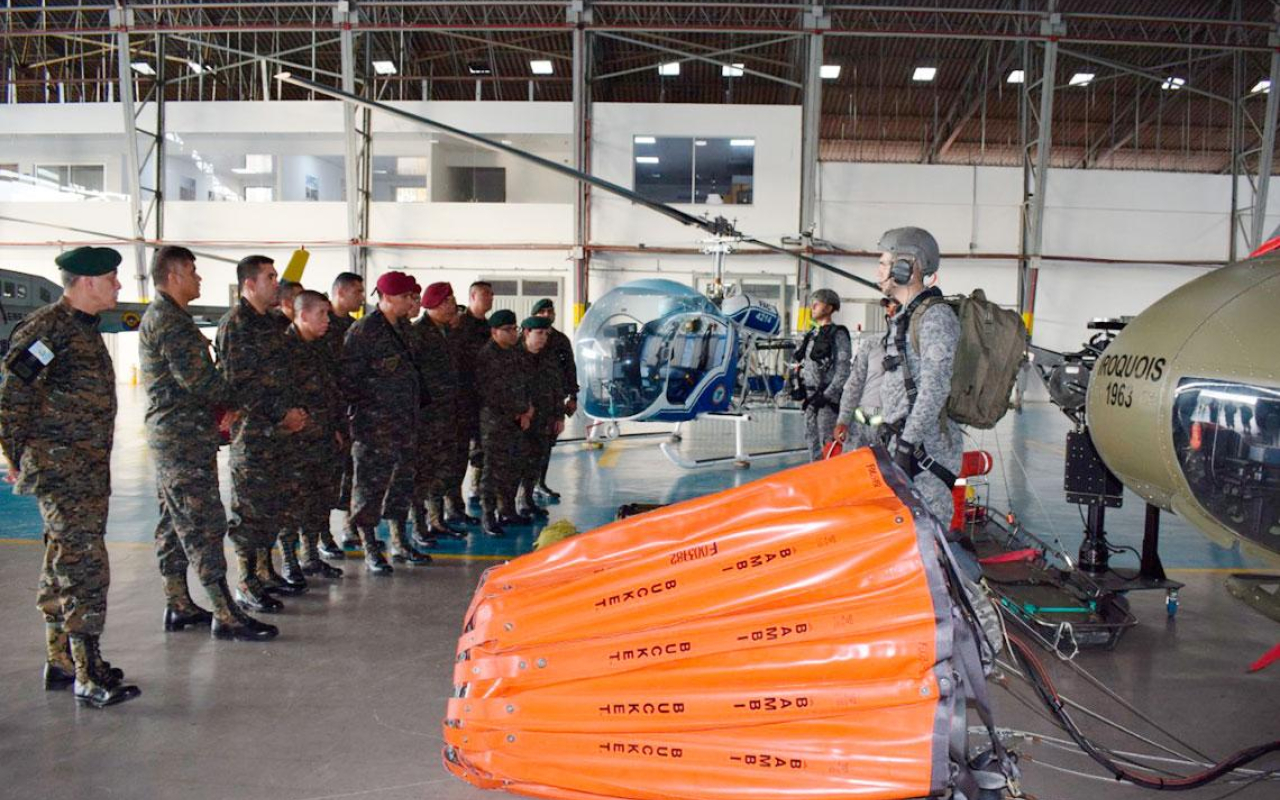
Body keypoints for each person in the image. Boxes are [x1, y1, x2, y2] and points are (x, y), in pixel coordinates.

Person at [0, 246, 140, 708]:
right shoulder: (48, 329)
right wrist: (14, 453)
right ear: (85, 282)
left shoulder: (82, 328)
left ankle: (61, 659)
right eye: (112, 278)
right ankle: (86, 671)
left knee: (61, 559)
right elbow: (12, 394)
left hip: (83, 468)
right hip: (62, 471)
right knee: (83, 564)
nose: (119, 286)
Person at [139, 246, 277, 642]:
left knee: (173, 521)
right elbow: (200, 381)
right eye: (194, 272)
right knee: (202, 521)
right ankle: (224, 611)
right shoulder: (169, 321)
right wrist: (234, 401)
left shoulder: (170, 317)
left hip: (179, 434)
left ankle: (178, 602)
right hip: (181, 438)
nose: (199, 279)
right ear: (175, 275)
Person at [217, 254, 311, 614]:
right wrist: (280, 415)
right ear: (250, 284)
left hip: (281, 433)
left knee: (273, 505)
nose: (277, 282)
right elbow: (239, 384)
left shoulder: (272, 323)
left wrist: (294, 413)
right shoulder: (235, 324)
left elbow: (287, 375)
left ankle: (263, 571)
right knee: (249, 509)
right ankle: (245, 581)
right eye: (270, 277)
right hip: (254, 432)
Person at [342, 270, 431, 573]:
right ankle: (369, 547)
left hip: (405, 423)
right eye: (406, 296)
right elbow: (349, 383)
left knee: (402, 485)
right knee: (369, 488)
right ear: (388, 297)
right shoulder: (363, 331)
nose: (411, 301)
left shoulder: (404, 328)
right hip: (374, 427)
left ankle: (399, 542)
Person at [875, 226, 961, 525]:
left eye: (884, 263)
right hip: (904, 448)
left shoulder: (935, 317)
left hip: (926, 455)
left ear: (905, 267)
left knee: (928, 542)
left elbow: (934, 388)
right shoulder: (905, 316)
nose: (879, 270)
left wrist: (906, 446)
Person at [280, 290, 345, 580]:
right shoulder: (284, 349)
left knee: (318, 500)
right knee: (293, 503)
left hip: (322, 438)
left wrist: (335, 429)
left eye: (328, 314)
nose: (327, 320)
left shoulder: (320, 347)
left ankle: (311, 556)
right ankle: (290, 561)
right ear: (303, 315)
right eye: (322, 314)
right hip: (295, 442)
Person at [410, 282, 467, 542]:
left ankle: (436, 521)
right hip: (427, 418)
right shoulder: (418, 334)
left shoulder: (445, 332)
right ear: (435, 303)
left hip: (446, 415)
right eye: (448, 301)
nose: (452, 305)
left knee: (441, 472)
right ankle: (419, 528)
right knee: (422, 476)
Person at [474, 309, 533, 537]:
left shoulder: (515, 353)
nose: (513, 333)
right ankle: (488, 516)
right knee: (493, 470)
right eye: (507, 330)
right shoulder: (487, 356)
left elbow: (525, 383)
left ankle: (507, 510)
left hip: (517, 419)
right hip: (496, 421)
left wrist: (527, 409)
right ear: (494, 332)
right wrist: (518, 411)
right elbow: (490, 393)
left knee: (513, 466)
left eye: (514, 329)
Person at [324, 271, 365, 557]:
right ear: (340, 292)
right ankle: (321, 534)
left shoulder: (353, 327)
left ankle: (350, 526)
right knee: (325, 478)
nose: (361, 297)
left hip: (349, 411)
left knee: (351, 473)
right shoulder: (320, 324)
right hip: (325, 412)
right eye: (357, 292)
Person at [832, 297, 900, 450]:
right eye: (888, 306)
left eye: (895, 306)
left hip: (892, 428)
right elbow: (855, 383)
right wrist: (842, 420)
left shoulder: (918, 347)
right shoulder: (872, 344)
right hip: (860, 425)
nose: (890, 310)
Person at [515, 315, 565, 518]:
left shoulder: (548, 357)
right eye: (540, 333)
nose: (544, 338)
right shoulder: (514, 357)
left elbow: (556, 388)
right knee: (515, 464)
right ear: (527, 333)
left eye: (546, 334)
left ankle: (526, 500)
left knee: (536, 461)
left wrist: (559, 416)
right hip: (520, 420)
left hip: (543, 420)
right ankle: (506, 508)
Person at [794, 288, 851, 461]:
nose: (813, 307)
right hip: (810, 400)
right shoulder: (811, 335)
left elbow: (843, 371)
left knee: (829, 446)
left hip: (827, 402)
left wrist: (827, 396)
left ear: (829, 308)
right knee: (812, 444)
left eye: (817, 304)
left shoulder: (838, 335)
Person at [529, 298, 577, 499]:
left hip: (554, 400)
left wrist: (573, 396)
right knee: (528, 447)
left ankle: (540, 483)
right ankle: (525, 490)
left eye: (551, 311)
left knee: (547, 444)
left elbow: (570, 369)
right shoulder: (527, 337)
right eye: (543, 312)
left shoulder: (560, 340)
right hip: (531, 403)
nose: (548, 315)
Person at [456, 281, 494, 508]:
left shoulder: (488, 327)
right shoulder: (460, 325)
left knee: (482, 445)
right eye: (485, 295)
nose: (490, 298)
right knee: (460, 450)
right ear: (472, 296)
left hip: (484, 397)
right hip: (463, 397)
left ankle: (476, 486)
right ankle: (454, 501)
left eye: (491, 295)